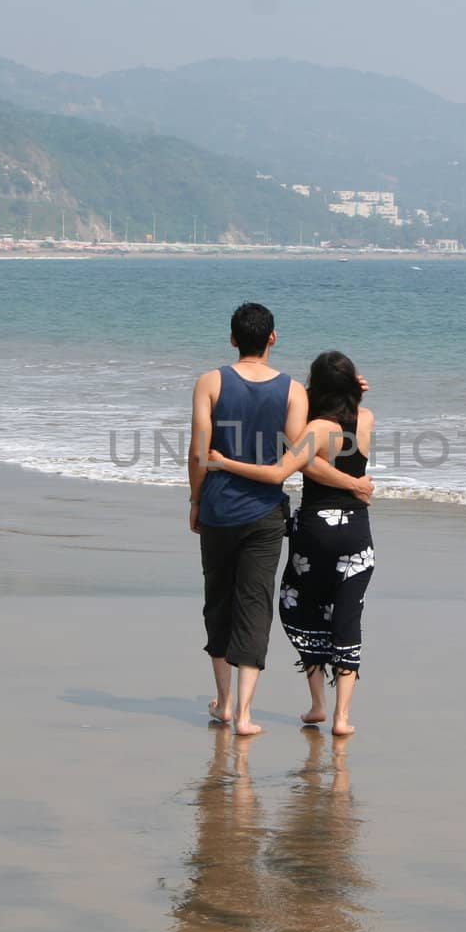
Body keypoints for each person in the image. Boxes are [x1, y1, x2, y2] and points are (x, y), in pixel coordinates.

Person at [189, 305, 371, 736]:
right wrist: (352, 391)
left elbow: (198, 451)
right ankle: (248, 714)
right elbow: (307, 448)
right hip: (267, 513)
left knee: (218, 600)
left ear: (232, 339)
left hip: (218, 507)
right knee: (255, 604)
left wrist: (196, 499)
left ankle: (226, 704)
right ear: (273, 339)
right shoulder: (293, 392)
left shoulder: (210, 382)